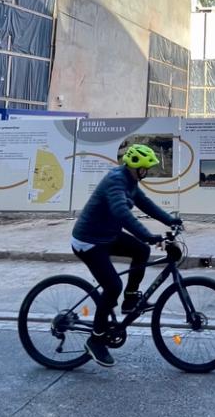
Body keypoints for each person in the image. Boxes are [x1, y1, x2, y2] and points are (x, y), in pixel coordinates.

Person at [70, 143, 181, 367]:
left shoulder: (130, 180)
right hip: (89, 241)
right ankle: (96, 340)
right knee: (112, 287)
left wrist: (170, 220)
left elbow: (145, 203)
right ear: (137, 167)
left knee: (141, 250)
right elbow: (121, 213)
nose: (148, 172)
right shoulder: (116, 181)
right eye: (147, 168)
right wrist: (148, 234)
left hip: (107, 236)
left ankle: (130, 300)